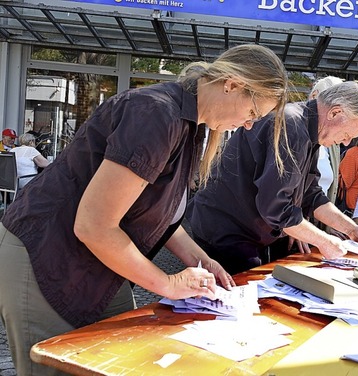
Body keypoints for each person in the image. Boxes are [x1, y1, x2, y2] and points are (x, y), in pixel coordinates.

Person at [0, 44, 289, 376]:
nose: (249, 125)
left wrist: (201, 260)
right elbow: (94, 225)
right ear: (232, 84)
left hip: (97, 263)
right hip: (45, 254)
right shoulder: (156, 115)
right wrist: (167, 283)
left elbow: (156, 213)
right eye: (253, 113)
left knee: (122, 361)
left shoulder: (190, 125)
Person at [187, 81, 358, 275]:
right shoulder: (292, 125)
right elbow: (275, 207)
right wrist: (324, 241)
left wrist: (351, 229)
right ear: (335, 113)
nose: (346, 142)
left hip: (244, 231)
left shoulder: (308, 130)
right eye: (347, 134)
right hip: (227, 229)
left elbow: (310, 194)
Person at [309, 76, 343, 204]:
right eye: (333, 112)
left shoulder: (333, 143)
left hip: (318, 215)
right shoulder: (293, 130)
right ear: (314, 96)